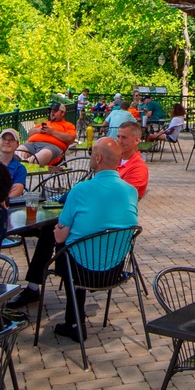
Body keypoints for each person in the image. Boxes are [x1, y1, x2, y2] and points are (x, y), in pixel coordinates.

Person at [50, 138, 139, 343]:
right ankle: (74, 322)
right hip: (115, 270)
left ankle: (74, 323)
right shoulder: (130, 191)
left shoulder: (80, 190)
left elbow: (60, 236)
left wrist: (58, 230)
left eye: (92, 153)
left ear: (98, 158)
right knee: (84, 245)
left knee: (64, 244)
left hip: (81, 272)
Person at [116, 121, 149, 201]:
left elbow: (119, 195)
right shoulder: (115, 159)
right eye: (118, 137)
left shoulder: (139, 168)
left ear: (136, 140)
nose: (119, 141)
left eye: (124, 137)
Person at [0, 128, 30, 197]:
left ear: (17, 145)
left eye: (11, 139)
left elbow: (16, 193)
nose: (7, 142)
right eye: (4, 139)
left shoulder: (20, 168)